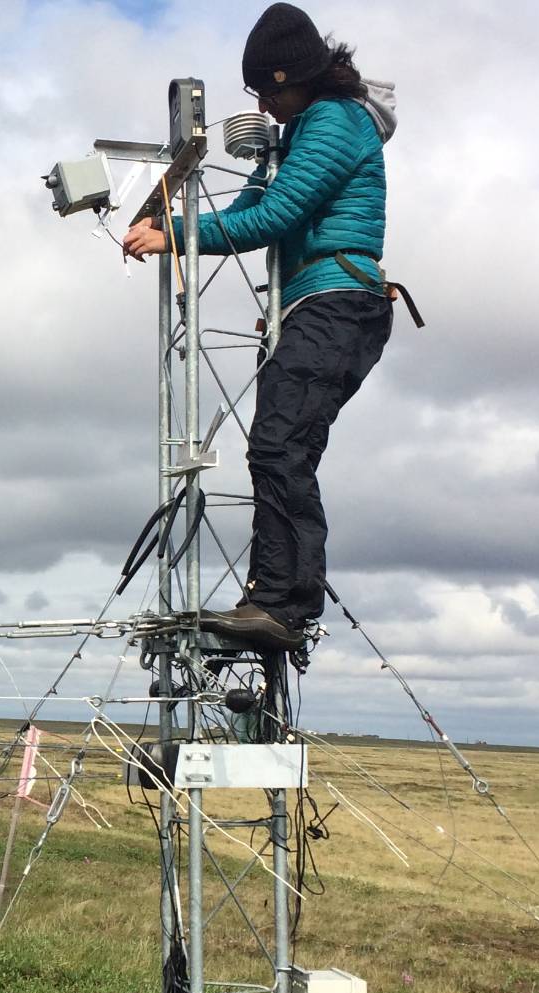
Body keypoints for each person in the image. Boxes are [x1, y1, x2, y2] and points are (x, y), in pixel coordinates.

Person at [122, 2, 403, 650]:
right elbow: (251, 208)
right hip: (312, 305)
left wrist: (172, 236)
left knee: (280, 445)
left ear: (286, 79)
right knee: (277, 445)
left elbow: (270, 220)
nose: (261, 106)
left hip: (340, 303)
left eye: (263, 92)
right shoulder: (294, 134)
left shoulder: (333, 123)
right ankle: (269, 597)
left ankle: (282, 604)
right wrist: (174, 227)